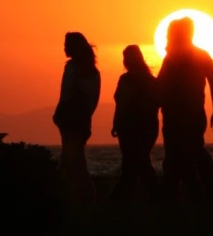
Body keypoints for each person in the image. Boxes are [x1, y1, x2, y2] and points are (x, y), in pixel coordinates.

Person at [157, 17, 213, 200]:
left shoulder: (172, 58)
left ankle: (194, 191)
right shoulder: (201, 55)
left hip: (178, 114)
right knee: (189, 152)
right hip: (191, 113)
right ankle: (196, 191)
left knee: (183, 153)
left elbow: (161, 84)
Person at [53, 32, 101, 207]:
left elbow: (65, 94)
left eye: (66, 44)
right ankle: (81, 198)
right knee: (74, 159)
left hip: (70, 120)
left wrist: (58, 114)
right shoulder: (94, 72)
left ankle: (79, 200)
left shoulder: (72, 67)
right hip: (82, 121)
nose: (64, 47)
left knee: (72, 162)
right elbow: (93, 101)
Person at [110, 45, 159, 200]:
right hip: (149, 127)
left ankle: (117, 201)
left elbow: (122, 103)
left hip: (130, 128)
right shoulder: (152, 80)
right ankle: (158, 197)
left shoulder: (126, 79)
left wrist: (116, 123)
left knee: (134, 164)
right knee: (140, 162)